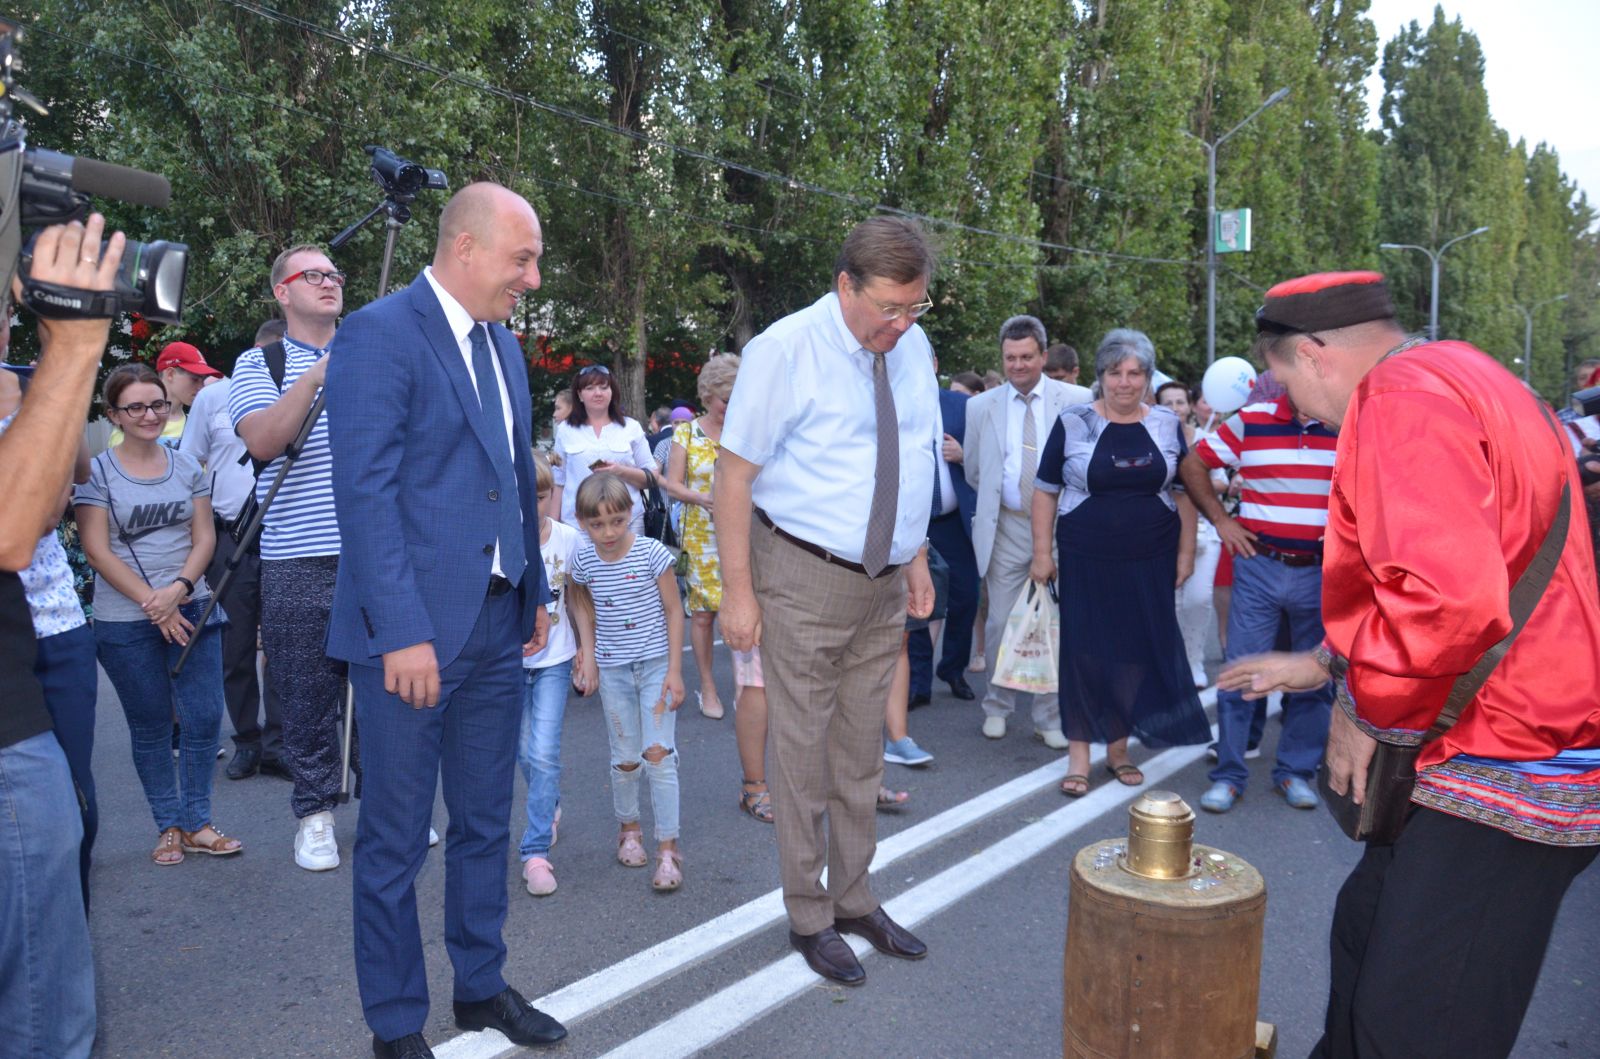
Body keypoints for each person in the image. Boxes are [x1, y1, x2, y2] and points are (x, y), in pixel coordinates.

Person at [1219, 270, 1600, 1059]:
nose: (1291, 404)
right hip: (1492, 728)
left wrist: (1363, 710)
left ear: (1316, 352)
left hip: (1512, 751)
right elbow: (1473, 566)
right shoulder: (1463, 371)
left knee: (1417, 1022)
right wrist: (1326, 662)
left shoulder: (1400, 398)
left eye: (1285, 379)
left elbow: (1447, 602)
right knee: (1364, 948)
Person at [325, 181, 565, 1059]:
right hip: (413, 640)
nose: (532, 278)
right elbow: (368, 494)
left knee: (483, 823)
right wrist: (402, 631)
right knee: (393, 841)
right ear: (465, 247)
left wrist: (532, 588)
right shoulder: (378, 334)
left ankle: (480, 985)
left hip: (499, 629)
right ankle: (396, 1025)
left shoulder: (501, 347)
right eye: (522, 258)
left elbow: (511, 474)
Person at [716, 215, 937, 987]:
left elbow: (907, 452)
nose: (903, 325)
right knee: (802, 758)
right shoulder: (785, 349)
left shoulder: (911, 348)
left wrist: (915, 555)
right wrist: (737, 595)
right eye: (889, 308)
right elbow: (732, 478)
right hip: (803, 576)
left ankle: (855, 897)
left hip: (882, 584)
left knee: (858, 753)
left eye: (916, 309)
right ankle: (809, 914)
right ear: (846, 285)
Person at [0, 213, 119, 1059]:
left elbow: (49, 503)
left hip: (28, 693)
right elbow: (12, 530)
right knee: (44, 1017)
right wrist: (74, 345)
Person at [1030, 330, 1211, 796]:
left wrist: (1186, 553)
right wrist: (1042, 553)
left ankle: (1117, 748)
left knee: (1133, 651)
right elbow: (1046, 489)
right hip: (1086, 555)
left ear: (1149, 378)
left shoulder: (1169, 424)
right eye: (1115, 372)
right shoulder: (1073, 422)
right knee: (1084, 651)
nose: (1125, 382)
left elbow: (1182, 491)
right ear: (1101, 376)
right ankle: (1077, 755)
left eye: (1135, 373)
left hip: (1151, 555)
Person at [75, 363, 241, 863]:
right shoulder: (97, 472)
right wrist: (156, 604)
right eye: (136, 407)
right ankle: (167, 824)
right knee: (150, 725)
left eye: (157, 404)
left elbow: (205, 535)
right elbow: (96, 550)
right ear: (114, 415)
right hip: (125, 620)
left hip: (193, 604)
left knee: (205, 717)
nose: (150, 414)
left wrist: (180, 589)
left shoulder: (187, 465)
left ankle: (198, 822)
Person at [230, 243, 352, 870]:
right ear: (283, 291)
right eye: (314, 275)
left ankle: (390, 803)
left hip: (371, 554)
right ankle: (316, 813)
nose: (329, 282)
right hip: (297, 556)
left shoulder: (371, 353)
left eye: (334, 274)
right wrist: (314, 375)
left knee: (387, 691)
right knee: (305, 694)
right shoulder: (260, 364)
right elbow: (264, 441)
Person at [1179, 361, 1338, 815]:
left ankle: (1295, 771)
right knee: (1241, 671)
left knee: (1313, 674)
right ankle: (1228, 775)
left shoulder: (1347, 425)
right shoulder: (1253, 420)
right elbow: (1194, 464)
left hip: (1320, 571)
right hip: (1259, 565)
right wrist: (1222, 521)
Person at [960, 314, 1091, 746]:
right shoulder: (980, 406)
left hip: (1063, 527)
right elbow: (976, 472)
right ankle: (996, 706)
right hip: (1006, 528)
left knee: (1054, 624)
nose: (1017, 365)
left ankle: (1048, 716)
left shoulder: (1077, 399)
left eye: (1026, 357)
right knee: (999, 623)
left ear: (1043, 355)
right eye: (1009, 358)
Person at [0, 354, 98, 908]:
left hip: (54, 625)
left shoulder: (39, 381)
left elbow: (58, 495)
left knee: (75, 803)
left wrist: (60, 392)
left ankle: (64, 948)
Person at [181, 317, 287, 781]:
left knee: (287, 645)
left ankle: (279, 741)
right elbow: (189, 464)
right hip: (232, 535)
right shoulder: (214, 396)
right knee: (237, 644)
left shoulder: (311, 389)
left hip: (288, 534)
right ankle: (246, 738)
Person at [569, 473, 687, 891]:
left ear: (630, 514)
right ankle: (629, 831)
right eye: (596, 524)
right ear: (582, 523)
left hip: (655, 667)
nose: (608, 532)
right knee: (625, 758)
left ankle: (668, 849)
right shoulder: (583, 560)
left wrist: (674, 670)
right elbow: (579, 600)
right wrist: (588, 653)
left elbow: (675, 612)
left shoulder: (652, 554)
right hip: (613, 670)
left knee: (658, 754)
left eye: (617, 521)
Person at [517, 453, 589, 897]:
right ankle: (550, 804)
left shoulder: (568, 540)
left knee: (543, 753)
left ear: (552, 495)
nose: (533, 504)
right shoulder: (496, 541)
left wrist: (587, 652)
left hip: (554, 662)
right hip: (504, 666)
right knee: (522, 752)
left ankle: (535, 849)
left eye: (541, 496)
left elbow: (581, 598)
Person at [662, 355, 737, 721]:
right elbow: (671, 485)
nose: (731, 406)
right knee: (705, 616)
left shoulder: (748, 430)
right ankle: (707, 686)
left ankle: (746, 686)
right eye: (726, 398)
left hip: (743, 531)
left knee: (745, 611)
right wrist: (702, 498)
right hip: (701, 536)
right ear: (708, 396)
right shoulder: (686, 432)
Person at [907, 379, 979, 706]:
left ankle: (952, 669)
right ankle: (917, 683)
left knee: (966, 598)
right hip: (915, 523)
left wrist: (965, 456)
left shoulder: (963, 406)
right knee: (919, 604)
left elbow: (990, 456)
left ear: (933, 366)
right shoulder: (896, 403)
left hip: (955, 522)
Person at [1156, 381, 1221, 688]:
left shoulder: (1207, 439)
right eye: (1167, 403)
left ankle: (1194, 662)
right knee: (1169, 604)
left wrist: (1195, 481)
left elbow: (1220, 480)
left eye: (1179, 402)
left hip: (1204, 533)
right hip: (1162, 532)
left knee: (1198, 599)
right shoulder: (1150, 440)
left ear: (1189, 406)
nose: (1174, 409)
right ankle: (1171, 663)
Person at [550, 365, 654, 537]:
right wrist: (553, 527)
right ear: (579, 395)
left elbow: (652, 477)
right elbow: (558, 482)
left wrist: (622, 471)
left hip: (627, 523)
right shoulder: (565, 430)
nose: (598, 393)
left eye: (604, 387)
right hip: (578, 526)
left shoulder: (631, 427)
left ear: (612, 392)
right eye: (589, 388)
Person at [107, 340, 221, 447]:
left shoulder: (197, 424)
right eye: (195, 379)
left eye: (203, 380)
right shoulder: (134, 426)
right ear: (170, 374)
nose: (201, 387)